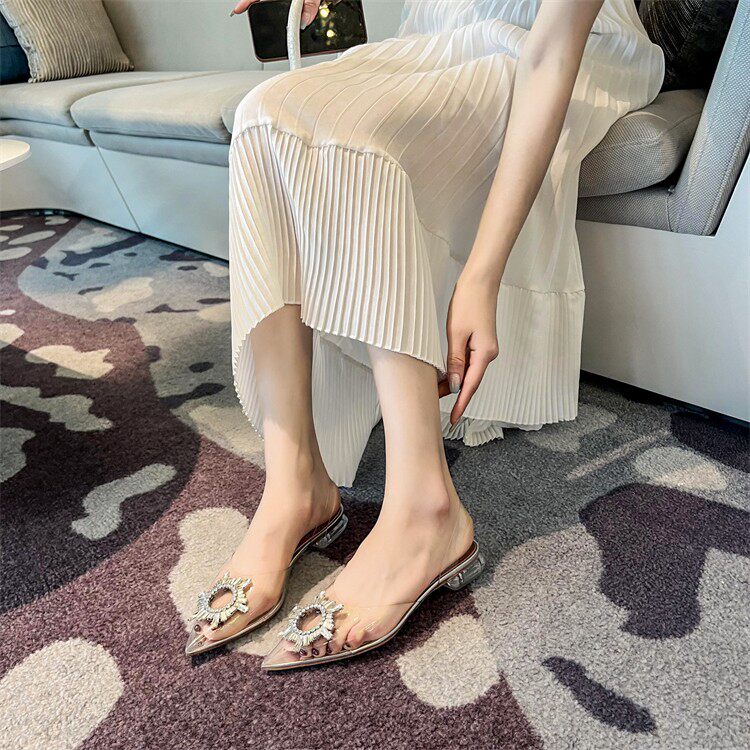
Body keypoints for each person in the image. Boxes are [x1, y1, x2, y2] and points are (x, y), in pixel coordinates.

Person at [186, 0, 664, 669]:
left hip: (557, 47)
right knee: (262, 112)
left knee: (350, 130)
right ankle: (296, 484)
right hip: (443, 34)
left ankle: (424, 510)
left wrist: (480, 277)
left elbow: (553, 49)